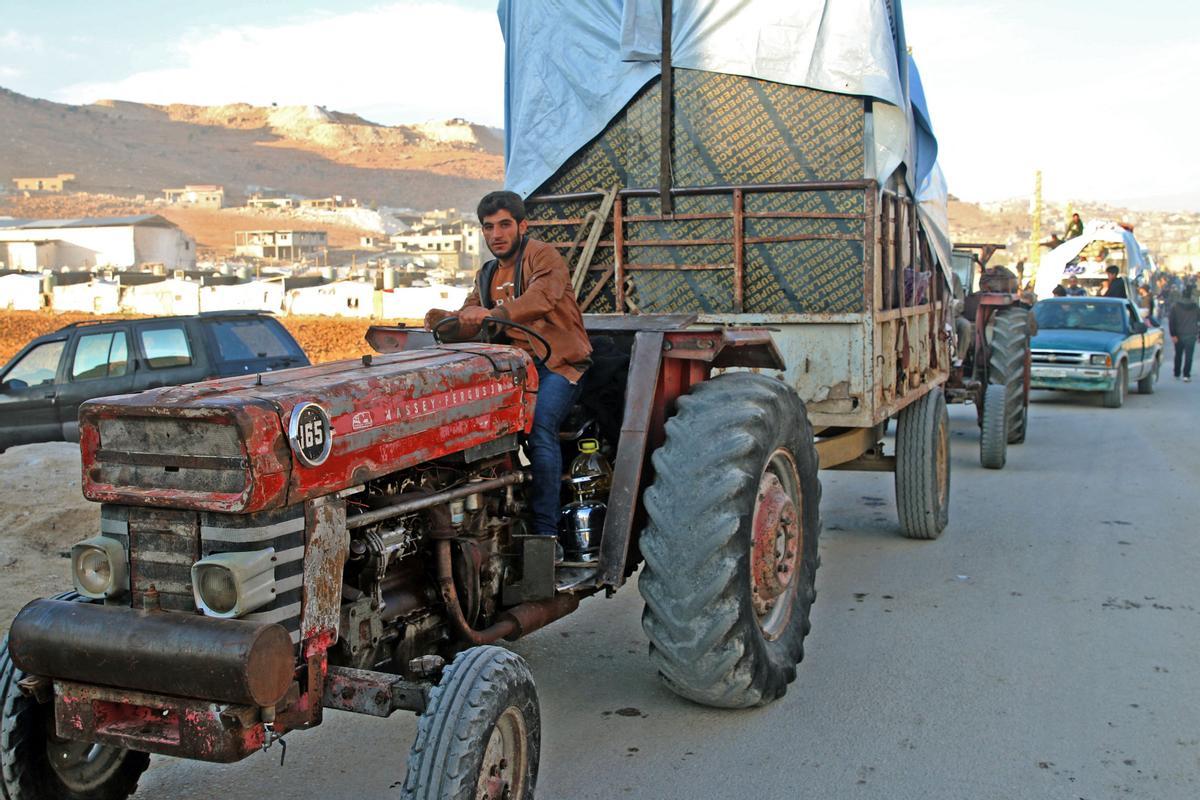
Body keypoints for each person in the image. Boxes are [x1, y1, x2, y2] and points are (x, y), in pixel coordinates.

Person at [424, 190, 593, 540]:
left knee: (540, 424)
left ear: (522, 226)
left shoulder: (543, 256)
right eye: (489, 227)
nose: (496, 234)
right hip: (516, 369)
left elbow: (542, 297)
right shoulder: (486, 274)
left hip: (558, 364)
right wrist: (445, 321)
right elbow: (472, 316)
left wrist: (494, 314)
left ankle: (545, 532)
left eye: (504, 225)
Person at [1168, 287, 1198, 382]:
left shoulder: (1175, 306)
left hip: (1178, 334)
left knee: (1178, 354)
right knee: (1189, 356)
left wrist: (1173, 334)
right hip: (1191, 334)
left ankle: (1177, 373)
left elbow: (1171, 321)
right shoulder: (1196, 307)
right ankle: (1186, 375)